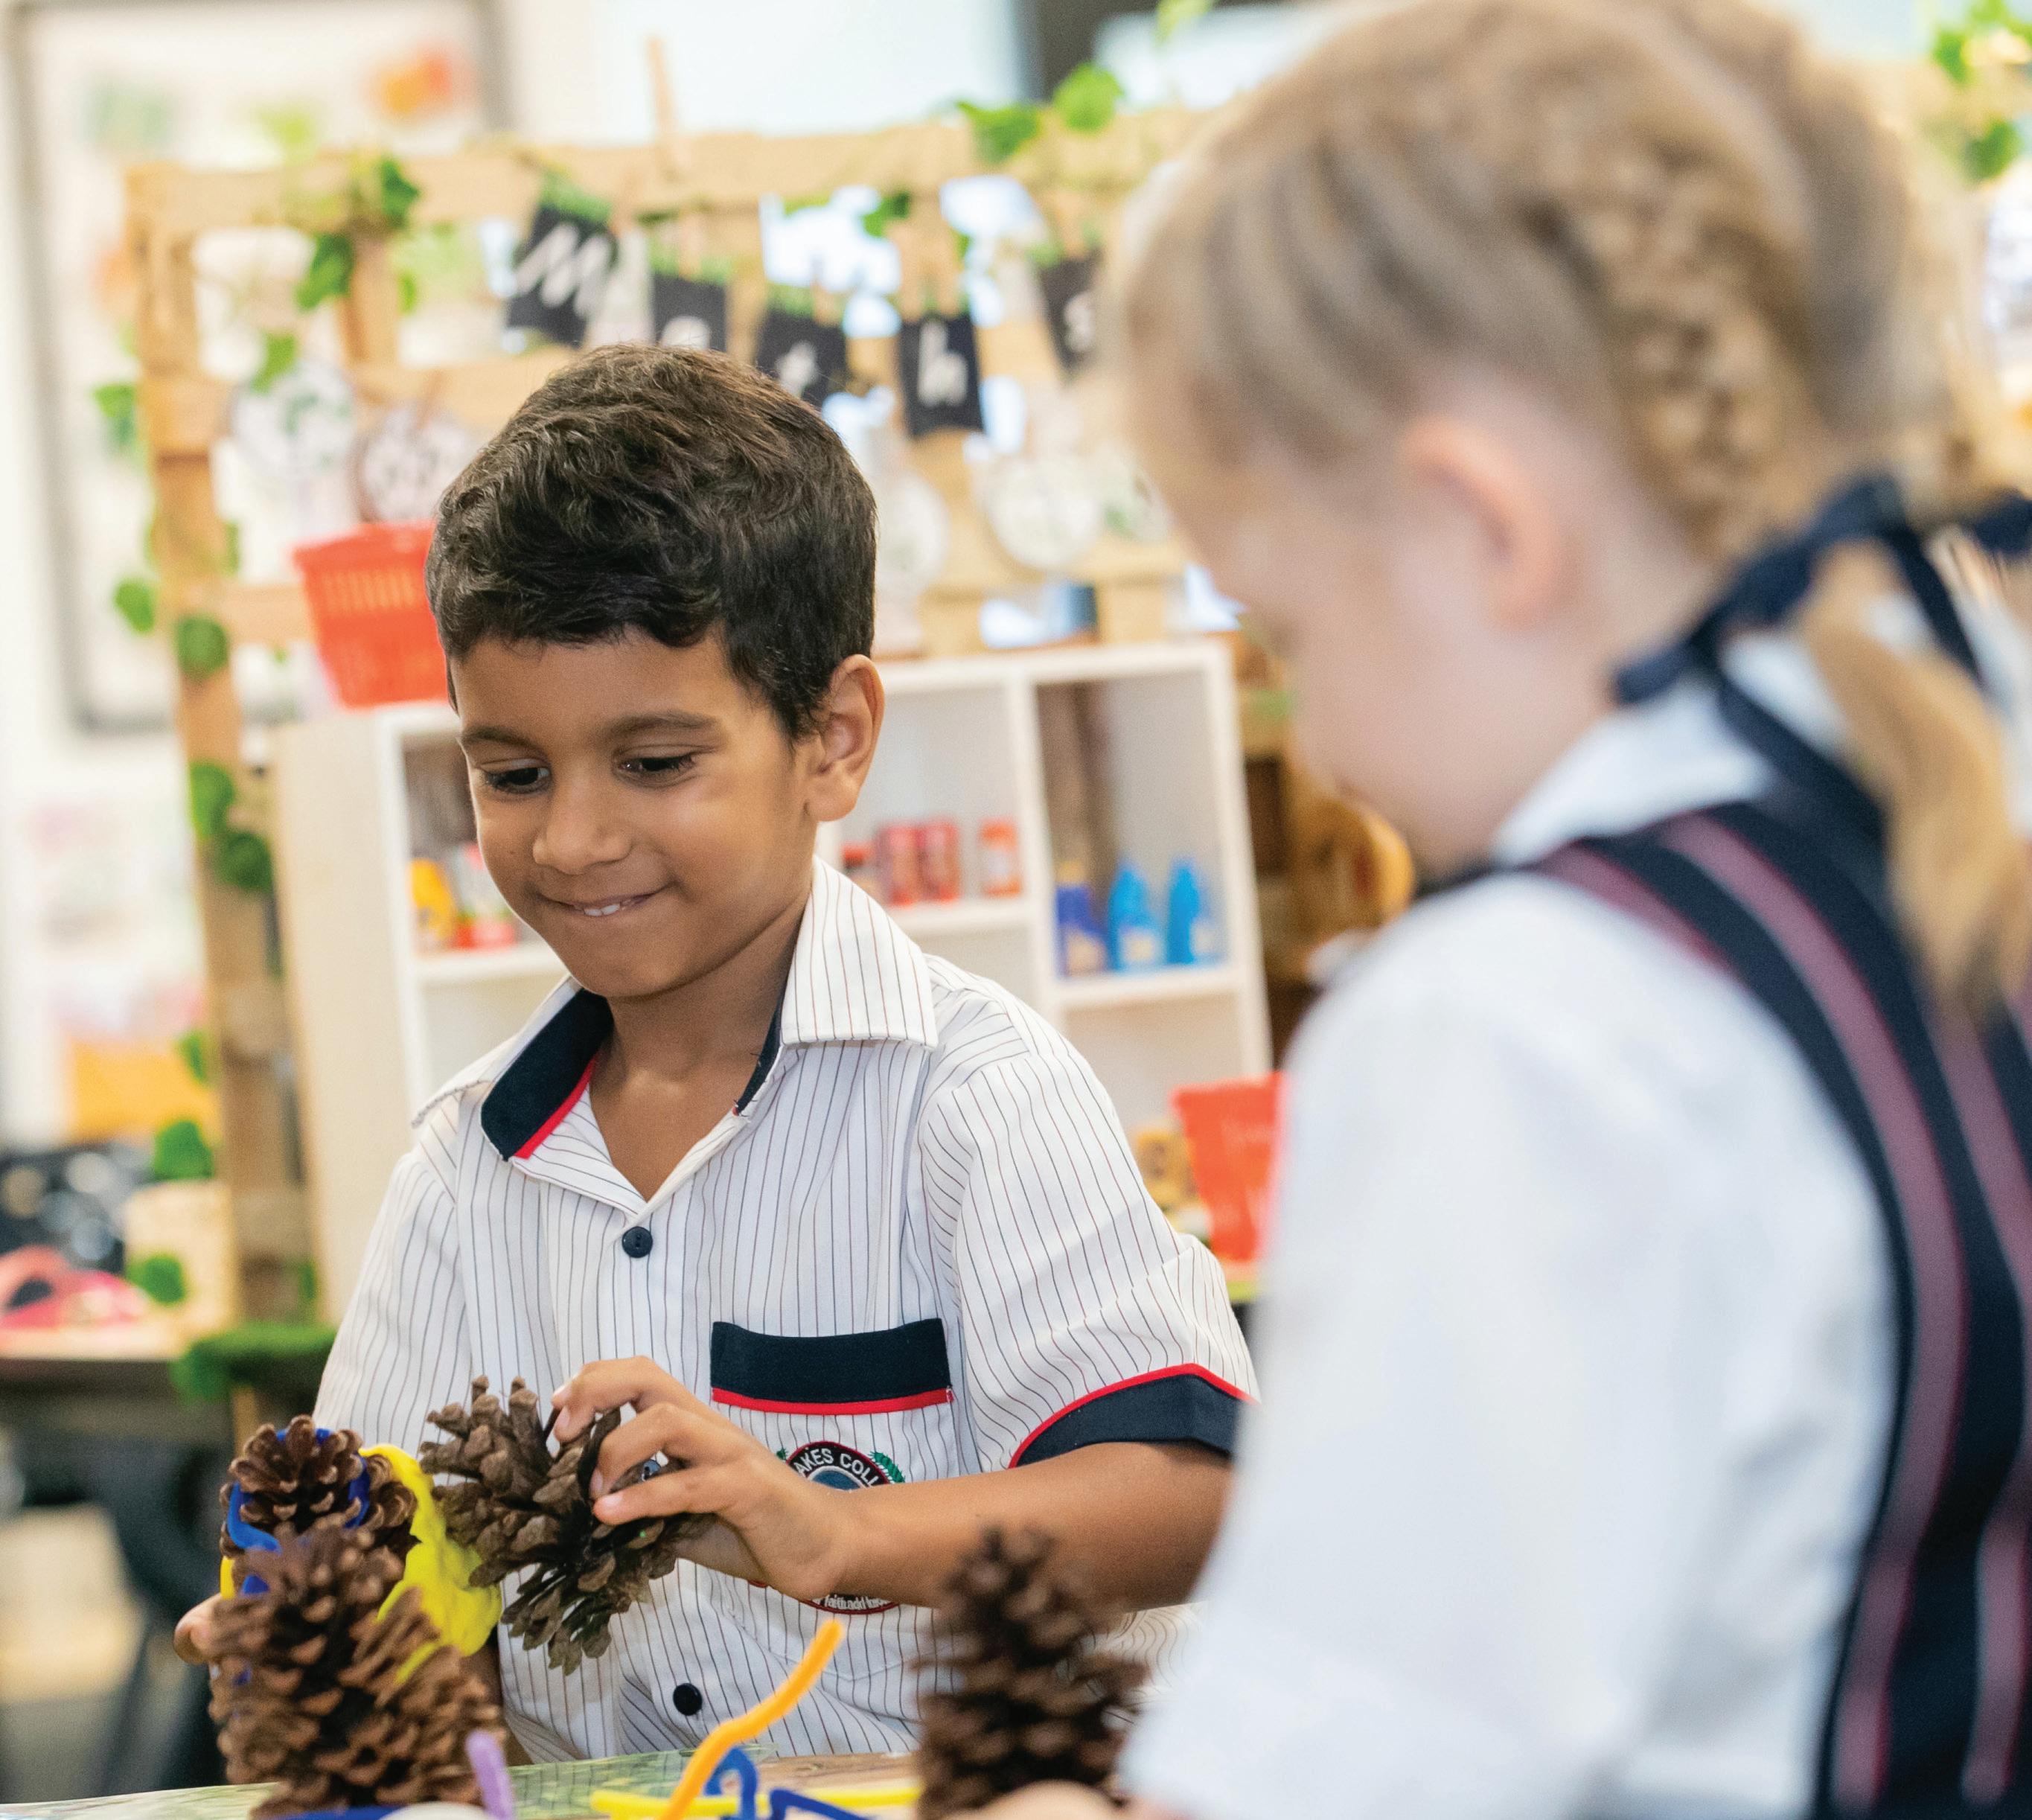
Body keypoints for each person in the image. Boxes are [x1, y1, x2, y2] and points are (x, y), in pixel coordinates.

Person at [982, 1, 2032, 1816]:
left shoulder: (1534, 1017)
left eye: (1289, 632)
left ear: (1484, 526)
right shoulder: (1955, 821)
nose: (1318, 743)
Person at [178, 345, 1252, 1759]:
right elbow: (401, 1564)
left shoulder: (975, 1095)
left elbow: (1189, 1497)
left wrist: (833, 1529)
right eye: (512, 774)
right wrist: (337, 1635)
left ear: (833, 739)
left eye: (655, 762)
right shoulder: (461, 1171)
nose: (573, 839)